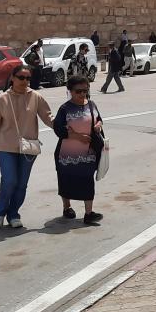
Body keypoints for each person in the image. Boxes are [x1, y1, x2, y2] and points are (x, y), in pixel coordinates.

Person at [0, 64, 54, 229]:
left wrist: (65, 126)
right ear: (12, 78)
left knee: (22, 183)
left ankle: (13, 214)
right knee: (9, 180)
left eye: (28, 78)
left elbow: (48, 117)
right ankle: (0, 212)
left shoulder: (35, 97)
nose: (25, 81)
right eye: (21, 77)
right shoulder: (2, 99)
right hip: (5, 146)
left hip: (28, 147)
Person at [53, 75, 104, 225]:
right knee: (66, 180)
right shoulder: (65, 109)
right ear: (70, 91)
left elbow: (99, 119)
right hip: (66, 154)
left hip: (88, 154)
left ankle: (89, 213)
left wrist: (99, 125)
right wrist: (77, 136)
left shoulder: (92, 105)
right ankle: (67, 207)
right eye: (78, 91)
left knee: (87, 181)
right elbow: (58, 129)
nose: (82, 94)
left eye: (85, 91)